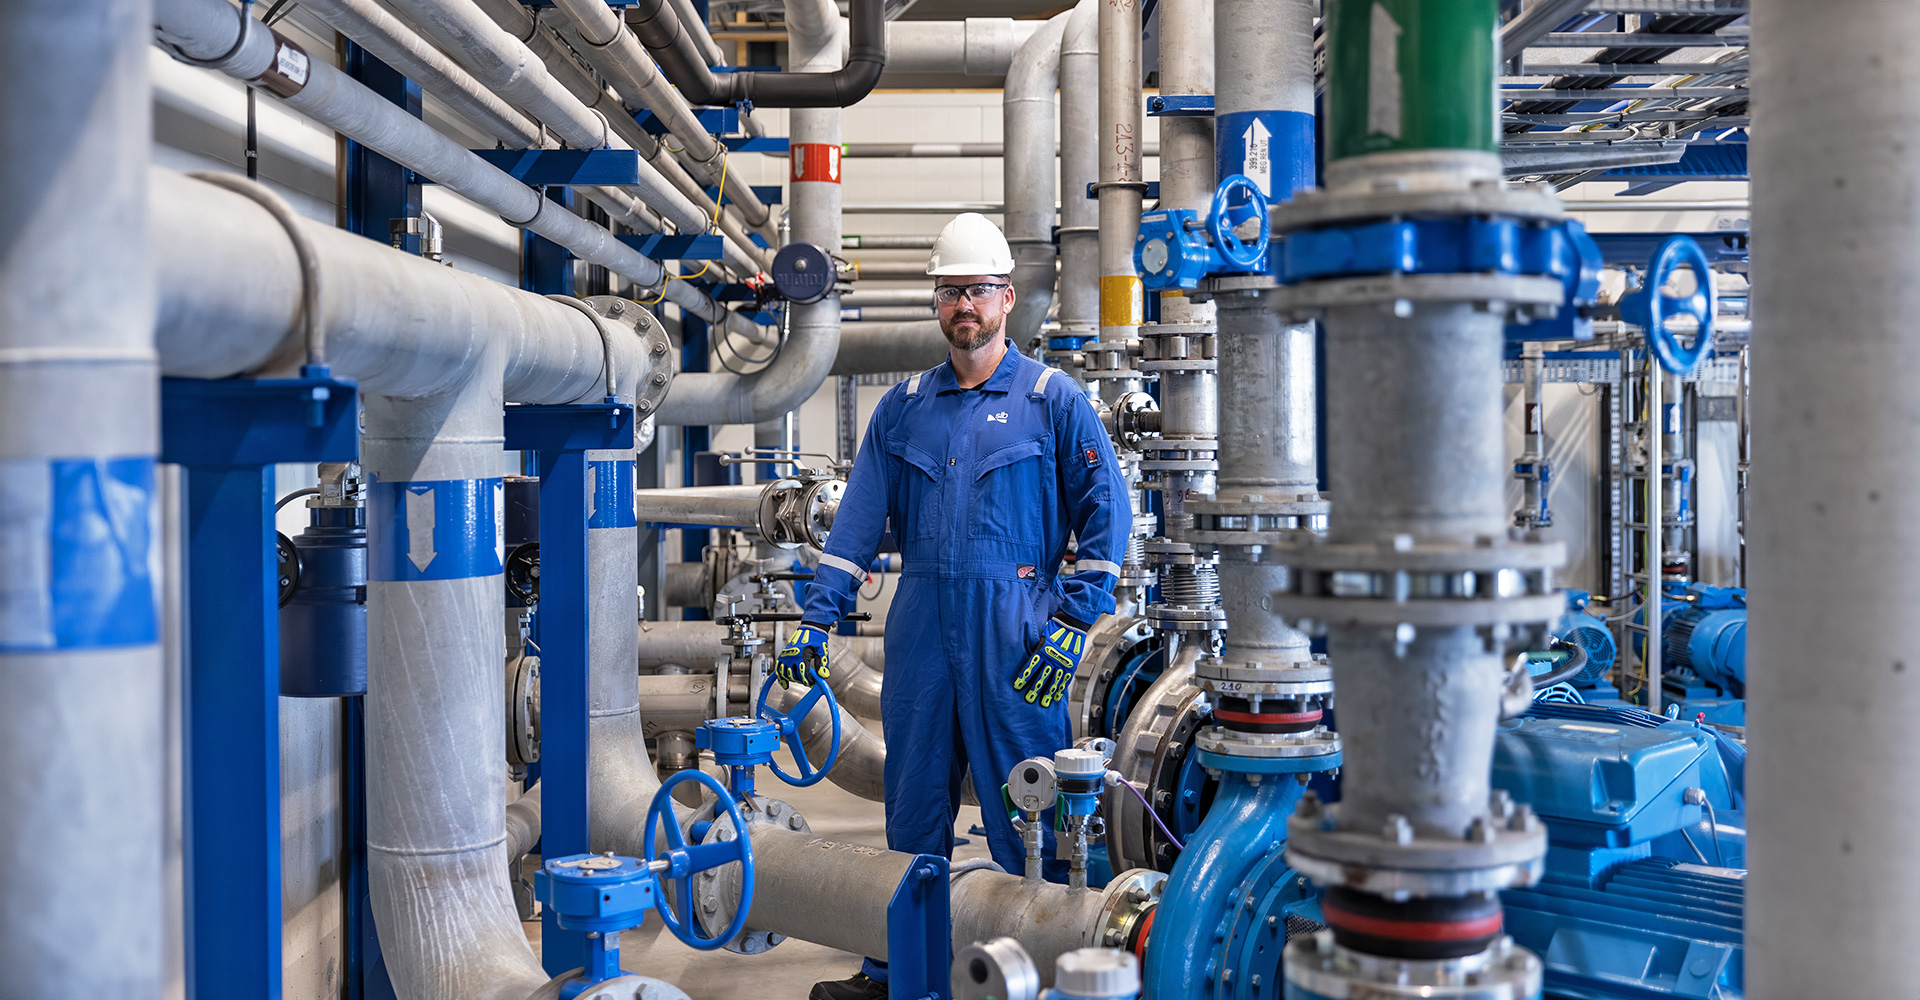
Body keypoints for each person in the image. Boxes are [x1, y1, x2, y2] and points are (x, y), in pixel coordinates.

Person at [778, 213, 1131, 1000]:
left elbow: (1110, 513)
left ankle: (1033, 971)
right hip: (922, 628)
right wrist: (817, 614)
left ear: (1007, 298)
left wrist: (1074, 620)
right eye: (948, 292)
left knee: (1028, 804)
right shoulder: (903, 409)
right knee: (911, 810)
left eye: (975, 290)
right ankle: (898, 968)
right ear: (937, 302)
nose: (961, 305)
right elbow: (857, 525)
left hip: (1018, 633)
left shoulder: (1051, 399)